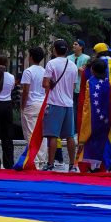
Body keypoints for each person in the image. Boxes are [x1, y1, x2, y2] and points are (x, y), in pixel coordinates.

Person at [41, 40, 81, 171]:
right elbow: (74, 86)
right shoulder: (73, 65)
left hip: (54, 102)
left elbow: (45, 84)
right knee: (70, 136)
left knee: (53, 135)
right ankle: (72, 165)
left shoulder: (51, 63)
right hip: (69, 104)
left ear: (54, 50)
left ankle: (51, 164)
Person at [82, 46, 111, 173]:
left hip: (93, 115)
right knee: (107, 136)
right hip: (107, 112)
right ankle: (109, 162)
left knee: (93, 138)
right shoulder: (110, 68)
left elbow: (86, 100)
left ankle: (93, 164)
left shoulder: (90, 81)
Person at [0, 54, 20, 170]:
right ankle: (9, 163)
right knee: (7, 136)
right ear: (7, 64)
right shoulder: (11, 77)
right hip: (7, 106)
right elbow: (11, 90)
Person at [16, 45, 47, 160]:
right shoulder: (44, 71)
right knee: (41, 133)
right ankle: (42, 159)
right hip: (42, 103)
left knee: (30, 133)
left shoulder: (28, 71)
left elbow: (26, 90)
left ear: (31, 57)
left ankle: (34, 160)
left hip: (31, 104)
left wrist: (22, 105)